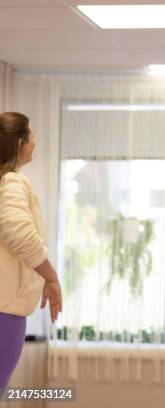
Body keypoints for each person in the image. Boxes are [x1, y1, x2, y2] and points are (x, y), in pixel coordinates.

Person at [0, 112, 62, 394]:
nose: (36, 142)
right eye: (33, 135)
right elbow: (19, 233)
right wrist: (51, 277)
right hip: (5, 311)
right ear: (20, 144)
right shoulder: (12, 181)